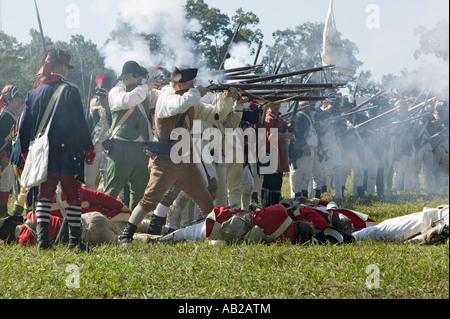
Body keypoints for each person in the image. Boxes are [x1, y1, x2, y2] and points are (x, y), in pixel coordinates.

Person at [118, 66, 237, 244]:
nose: (194, 86)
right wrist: (198, 92)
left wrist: (227, 98)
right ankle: (126, 235)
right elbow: (179, 104)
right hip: (164, 162)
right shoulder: (167, 96)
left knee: (205, 201)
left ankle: (217, 233)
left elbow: (214, 114)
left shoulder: (189, 98)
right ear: (180, 85)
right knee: (148, 201)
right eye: (190, 84)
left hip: (185, 162)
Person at [18, 48, 96, 251]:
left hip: (43, 155)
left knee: (44, 196)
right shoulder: (70, 90)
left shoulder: (33, 93)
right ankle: (75, 242)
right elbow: (80, 125)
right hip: (68, 153)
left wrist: (27, 153)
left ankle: (44, 242)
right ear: (61, 66)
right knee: (73, 197)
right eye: (66, 66)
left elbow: (24, 127)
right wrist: (89, 149)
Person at [103, 61, 159, 210]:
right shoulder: (116, 91)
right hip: (121, 148)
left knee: (140, 193)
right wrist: (146, 87)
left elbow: (161, 102)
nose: (140, 80)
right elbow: (127, 101)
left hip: (142, 148)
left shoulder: (143, 91)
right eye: (137, 77)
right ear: (126, 78)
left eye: (141, 77)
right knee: (111, 192)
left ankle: (132, 228)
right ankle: (98, 223)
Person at [352, 205, 448, 244]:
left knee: (380, 230)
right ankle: (349, 236)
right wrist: (439, 229)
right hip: (428, 221)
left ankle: (348, 236)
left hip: (429, 223)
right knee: (381, 230)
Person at [261, 103, 294, 207]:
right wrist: (285, 136)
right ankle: (267, 207)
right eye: (274, 105)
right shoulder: (269, 119)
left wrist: (293, 122)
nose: (276, 107)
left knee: (277, 184)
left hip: (277, 155)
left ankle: (275, 206)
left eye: (277, 105)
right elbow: (271, 137)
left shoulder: (278, 118)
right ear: (269, 105)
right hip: (269, 154)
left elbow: (288, 127)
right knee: (269, 184)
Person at [289, 100, 318, 199]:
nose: (307, 106)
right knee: (300, 173)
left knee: (307, 174)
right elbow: (298, 133)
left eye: (307, 104)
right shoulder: (301, 116)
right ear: (301, 106)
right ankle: (298, 195)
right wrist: (304, 147)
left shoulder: (307, 116)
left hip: (309, 148)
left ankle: (304, 195)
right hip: (304, 149)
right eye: (305, 105)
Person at [0, 85, 21, 217]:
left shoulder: (13, 116)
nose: (19, 101)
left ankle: (3, 211)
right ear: (8, 101)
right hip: (4, 157)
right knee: (2, 185)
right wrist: (4, 156)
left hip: (10, 156)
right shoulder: (3, 116)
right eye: (16, 98)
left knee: (6, 185)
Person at [85, 87, 110, 190]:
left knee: (110, 184)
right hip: (95, 150)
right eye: (100, 99)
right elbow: (88, 130)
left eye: (104, 98)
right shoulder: (94, 112)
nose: (101, 101)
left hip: (109, 151)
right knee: (89, 182)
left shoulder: (114, 111)